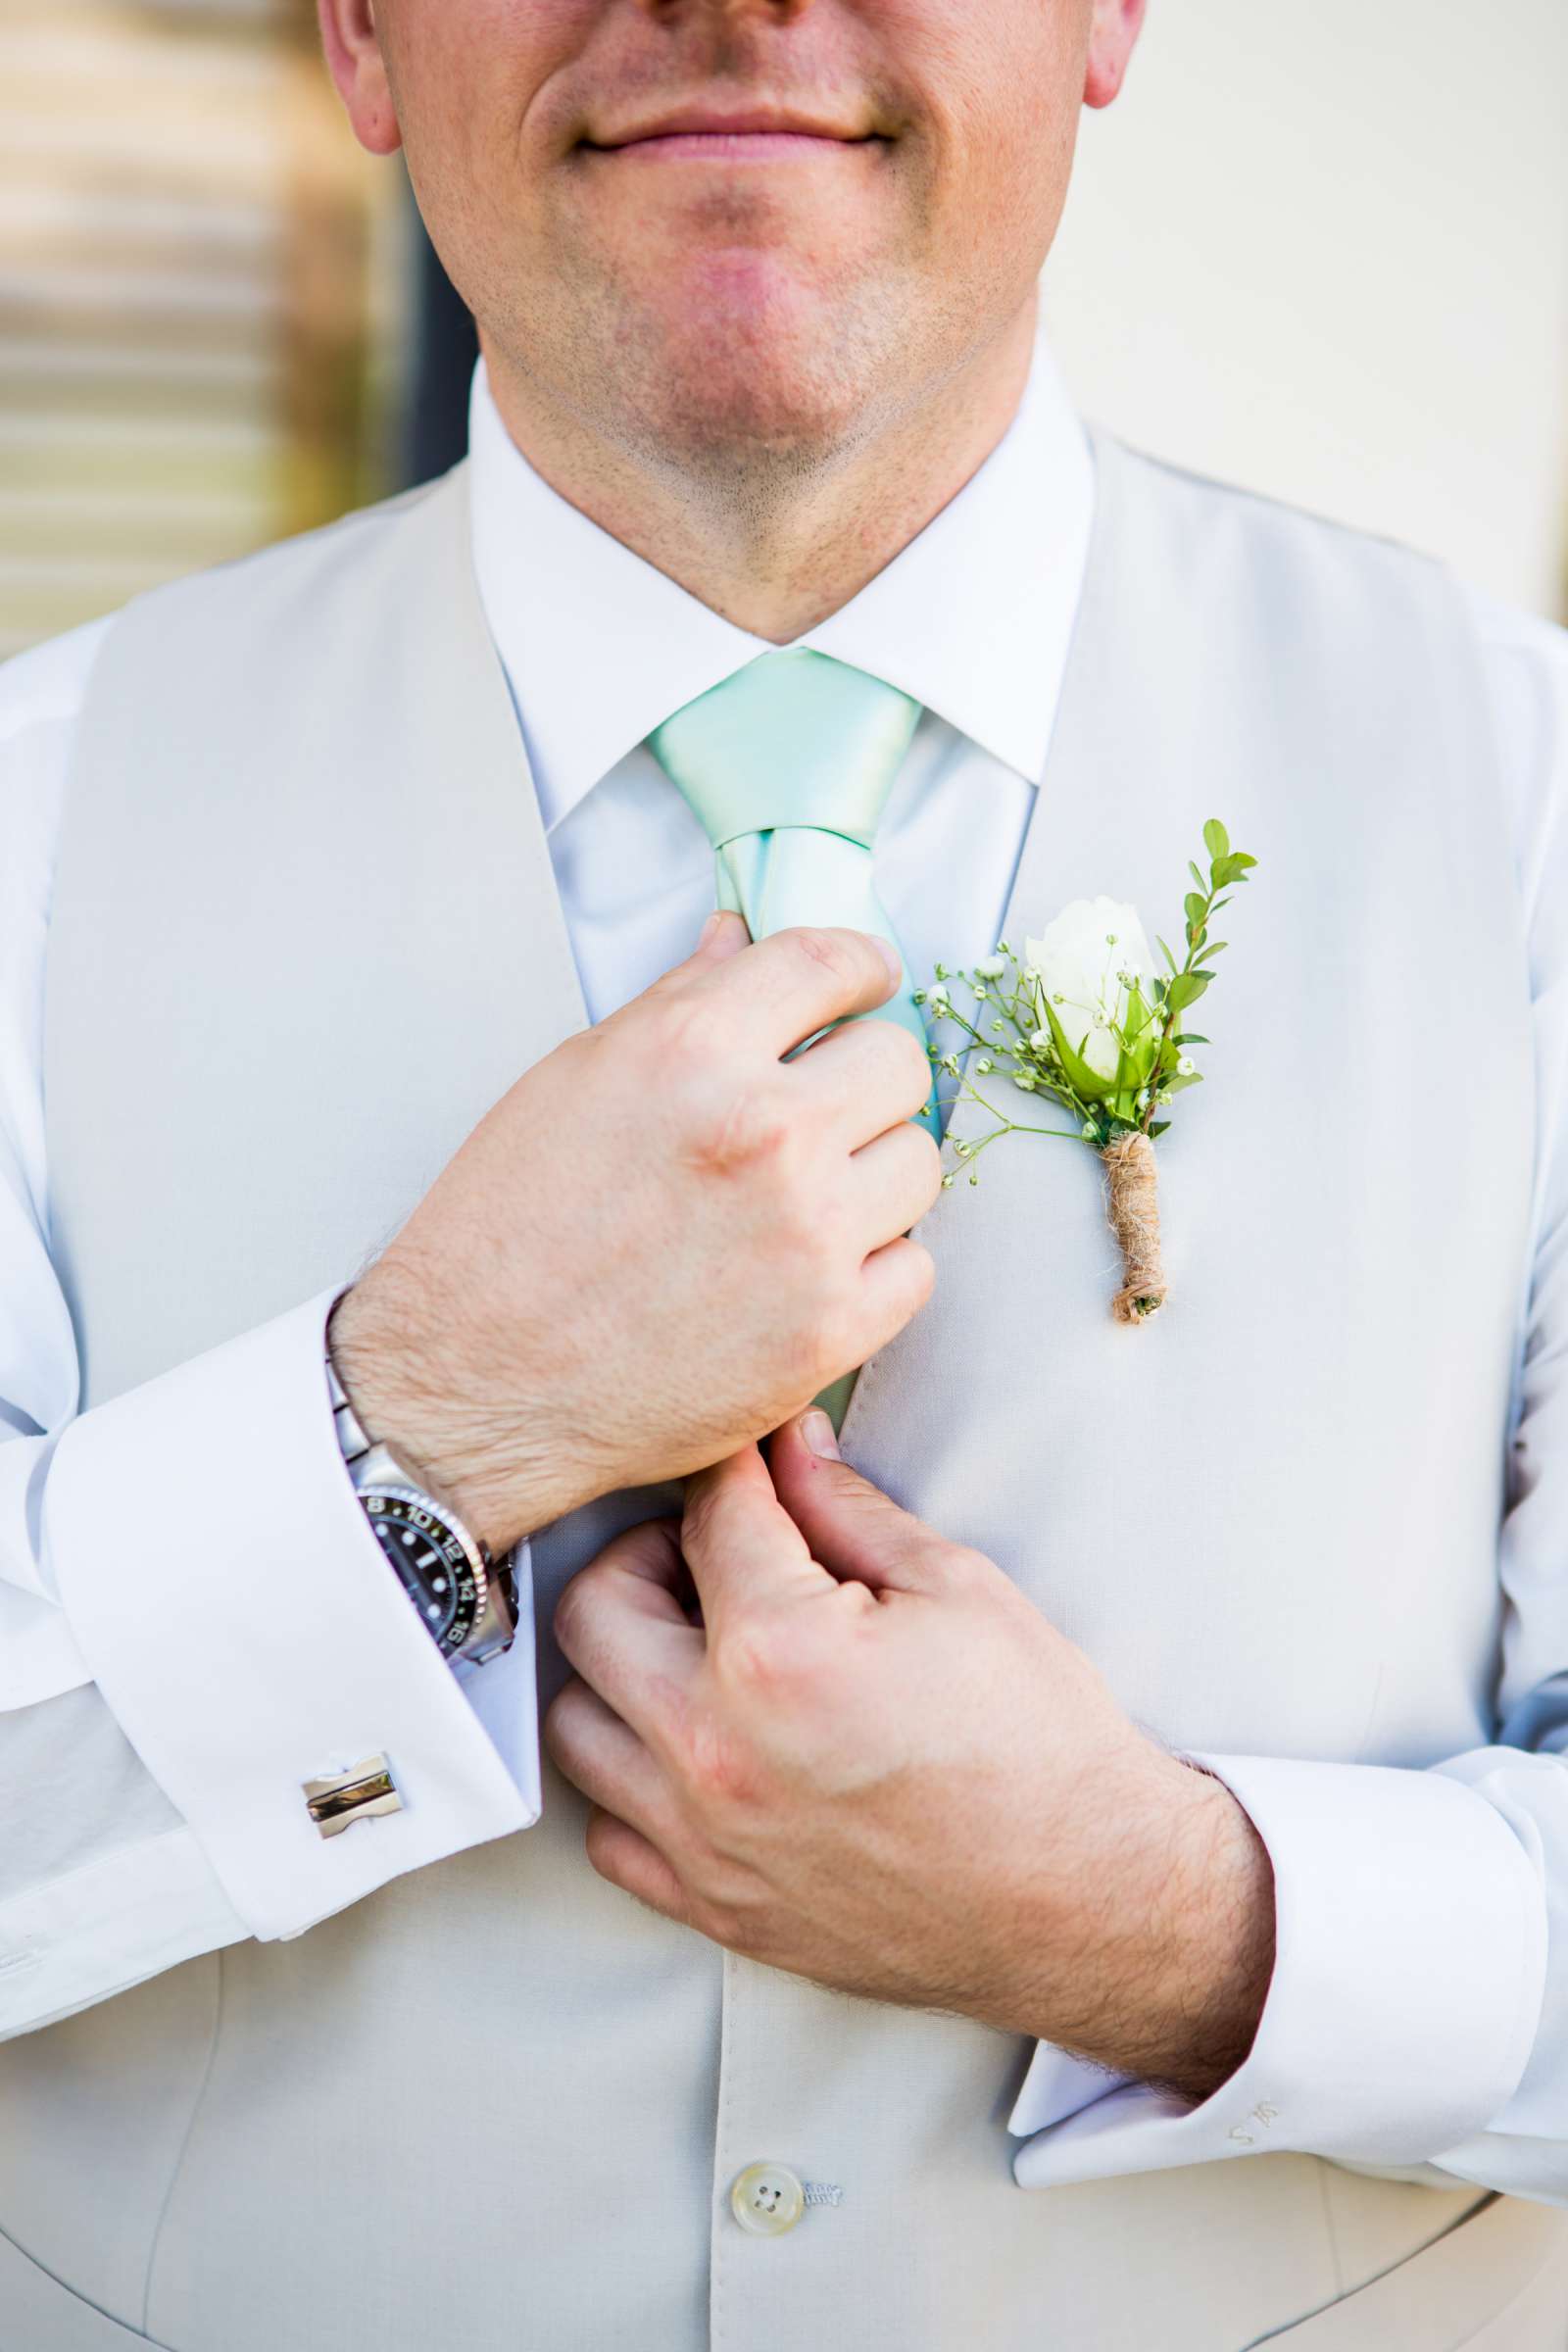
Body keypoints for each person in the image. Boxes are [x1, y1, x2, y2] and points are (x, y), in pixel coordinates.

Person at [1, 1, 1566, 2344]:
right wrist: (425, 1425)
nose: (729, 0)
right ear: (354, 31)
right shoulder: (23, 822)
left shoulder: (1528, 810)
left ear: (1107, 14)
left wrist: (1168, 1919)